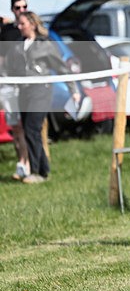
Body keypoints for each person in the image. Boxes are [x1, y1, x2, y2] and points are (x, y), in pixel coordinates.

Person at [5, 11, 80, 184]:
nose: (19, 27)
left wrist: (72, 89)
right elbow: (10, 68)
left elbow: (62, 68)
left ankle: (37, 171)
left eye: (22, 24)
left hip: (41, 91)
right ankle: (43, 170)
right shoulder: (18, 45)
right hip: (24, 92)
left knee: (32, 128)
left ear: (32, 24)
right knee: (30, 130)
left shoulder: (45, 45)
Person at [0, 0, 31, 179]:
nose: (22, 11)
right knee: (16, 127)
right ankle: (22, 162)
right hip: (9, 85)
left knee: (27, 127)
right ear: (12, 9)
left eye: (24, 7)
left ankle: (29, 163)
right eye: (18, 8)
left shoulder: (31, 27)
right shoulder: (7, 30)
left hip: (27, 86)